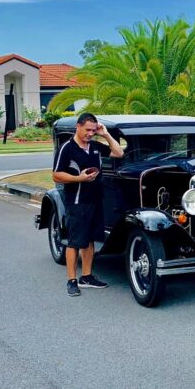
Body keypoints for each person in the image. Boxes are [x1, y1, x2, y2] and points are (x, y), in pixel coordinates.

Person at [52, 112, 124, 296]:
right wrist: (79, 178)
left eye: (93, 130)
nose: (90, 134)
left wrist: (105, 134)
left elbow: (119, 152)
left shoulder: (95, 146)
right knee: (75, 242)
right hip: (77, 201)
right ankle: (71, 281)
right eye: (87, 130)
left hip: (95, 199)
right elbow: (56, 175)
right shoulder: (67, 148)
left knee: (90, 239)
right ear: (78, 126)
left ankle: (86, 276)